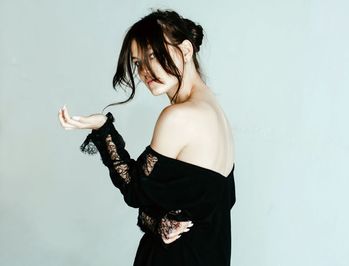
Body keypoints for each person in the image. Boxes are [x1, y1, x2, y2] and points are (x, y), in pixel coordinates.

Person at [57, 8, 236, 266]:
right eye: (138, 62)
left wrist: (103, 129)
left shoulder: (177, 116)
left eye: (153, 54)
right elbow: (199, 209)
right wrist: (155, 221)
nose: (144, 70)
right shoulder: (217, 115)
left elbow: (134, 190)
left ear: (186, 50)